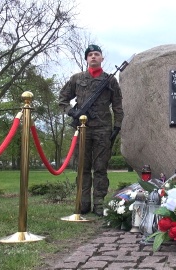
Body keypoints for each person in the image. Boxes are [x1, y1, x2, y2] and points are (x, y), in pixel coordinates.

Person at [59, 44, 124, 216]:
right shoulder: (77, 79)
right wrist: (72, 112)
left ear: (102, 58)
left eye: (97, 54)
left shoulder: (110, 80)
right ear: (86, 59)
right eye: (90, 55)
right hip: (82, 129)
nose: (93, 57)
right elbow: (62, 99)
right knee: (83, 167)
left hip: (103, 129)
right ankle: (83, 201)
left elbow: (117, 105)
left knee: (101, 167)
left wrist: (117, 126)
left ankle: (99, 203)